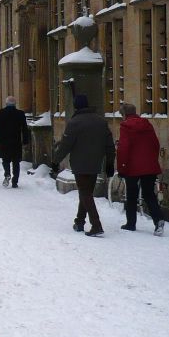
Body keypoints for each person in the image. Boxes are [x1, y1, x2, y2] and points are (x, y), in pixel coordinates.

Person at [51, 94, 115, 237]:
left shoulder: (74, 123)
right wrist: (110, 162)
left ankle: (96, 225)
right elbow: (109, 145)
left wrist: (55, 161)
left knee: (85, 193)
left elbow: (65, 145)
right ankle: (79, 221)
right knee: (86, 193)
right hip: (95, 162)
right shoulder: (101, 122)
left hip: (80, 163)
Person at [116, 103, 165, 235]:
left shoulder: (125, 126)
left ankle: (131, 223)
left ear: (125, 114)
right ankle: (158, 220)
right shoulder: (147, 124)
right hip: (149, 165)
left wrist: (121, 168)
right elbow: (155, 144)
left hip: (132, 167)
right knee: (149, 194)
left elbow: (123, 149)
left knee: (131, 195)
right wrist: (152, 159)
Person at [0, 96, 30, 188]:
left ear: (6, 103)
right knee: (16, 161)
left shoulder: (0, 113)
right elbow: (24, 128)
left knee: (5, 160)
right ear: (15, 104)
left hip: (5, 141)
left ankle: (7, 174)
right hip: (16, 140)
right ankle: (15, 181)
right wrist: (25, 140)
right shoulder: (20, 113)